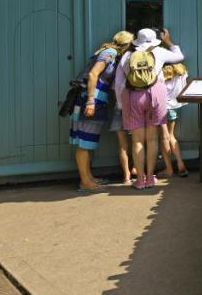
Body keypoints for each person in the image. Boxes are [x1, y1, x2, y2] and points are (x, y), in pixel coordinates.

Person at [114, 28, 183, 189]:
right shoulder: (159, 51)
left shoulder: (127, 56)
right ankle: (150, 178)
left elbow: (118, 83)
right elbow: (179, 56)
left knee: (137, 141)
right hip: (155, 94)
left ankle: (140, 180)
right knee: (152, 139)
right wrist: (169, 41)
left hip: (133, 96)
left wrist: (121, 105)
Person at [68, 30, 134, 192]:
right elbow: (93, 74)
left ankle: (89, 178)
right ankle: (85, 181)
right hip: (92, 99)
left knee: (88, 141)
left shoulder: (109, 53)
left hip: (97, 99)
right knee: (84, 142)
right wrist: (90, 101)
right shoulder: (110, 53)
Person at [159, 62, 190, 178]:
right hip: (173, 108)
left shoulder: (160, 73)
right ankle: (180, 164)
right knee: (171, 136)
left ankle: (169, 169)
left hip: (161, 108)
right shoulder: (182, 72)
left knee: (164, 138)